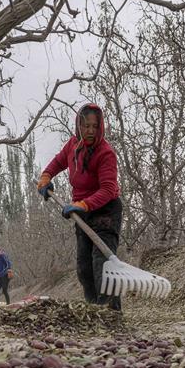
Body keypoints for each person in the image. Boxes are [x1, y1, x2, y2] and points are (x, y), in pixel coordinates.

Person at [36, 103, 122, 311]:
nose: (90, 131)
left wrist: (84, 204)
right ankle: (94, 310)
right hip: (82, 213)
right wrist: (46, 177)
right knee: (84, 268)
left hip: (105, 212)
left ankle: (111, 313)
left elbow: (109, 189)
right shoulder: (73, 146)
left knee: (102, 266)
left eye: (94, 126)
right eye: (86, 126)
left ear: (100, 127)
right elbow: (57, 162)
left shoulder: (105, 153)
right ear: (78, 126)